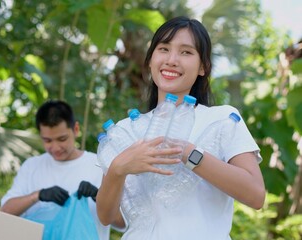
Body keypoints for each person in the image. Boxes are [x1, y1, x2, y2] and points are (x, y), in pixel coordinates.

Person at [96, 16, 266, 239]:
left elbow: (255, 195)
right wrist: (119, 167)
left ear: (203, 67)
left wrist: (189, 154)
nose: (172, 60)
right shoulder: (125, 130)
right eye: (164, 49)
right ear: (150, 60)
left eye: (186, 52)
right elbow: (106, 216)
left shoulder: (222, 119)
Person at [0, 100, 117, 240]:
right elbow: (5, 212)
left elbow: (122, 223)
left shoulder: (100, 165)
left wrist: (99, 196)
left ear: (76, 129)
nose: (55, 147)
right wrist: (38, 195)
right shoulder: (31, 166)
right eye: (48, 141)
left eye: (62, 139)